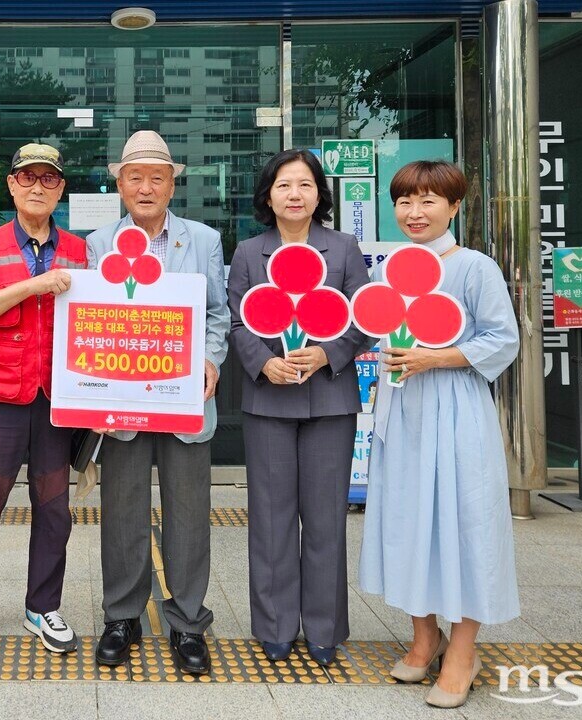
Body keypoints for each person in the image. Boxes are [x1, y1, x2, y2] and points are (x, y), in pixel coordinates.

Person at [357, 160, 521, 708]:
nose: (415, 211)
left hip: (455, 410)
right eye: (405, 201)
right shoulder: (390, 270)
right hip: (403, 410)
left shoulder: (474, 267)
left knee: (463, 521)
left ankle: (463, 652)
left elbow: (503, 339)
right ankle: (424, 637)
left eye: (429, 200)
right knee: (408, 520)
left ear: (455, 206)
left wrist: (436, 358)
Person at [86, 131, 229, 675]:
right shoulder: (98, 244)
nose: (146, 188)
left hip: (184, 398)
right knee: (121, 511)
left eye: (157, 178)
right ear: (119, 183)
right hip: (123, 401)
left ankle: (188, 621)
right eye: (135, 177)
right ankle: (121, 616)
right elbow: (93, 320)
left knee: (189, 512)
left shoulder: (204, 239)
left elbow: (218, 313)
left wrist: (211, 360)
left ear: (174, 183)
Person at [227, 149, 372, 665]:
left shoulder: (344, 248)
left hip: (330, 400)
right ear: (268, 195)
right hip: (268, 400)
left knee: (327, 517)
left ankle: (325, 630)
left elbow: (366, 315)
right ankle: (275, 627)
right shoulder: (249, 251)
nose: (295, 194)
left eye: (305, 185)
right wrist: (264, 364)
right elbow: (236, 321)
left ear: (319, 194)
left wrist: (329, 353)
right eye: (284, 185)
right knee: (270, 518)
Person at [0, 142, 88, 665]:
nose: (37, 186)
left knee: (55, 513)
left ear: (60, 189)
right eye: (27, 177)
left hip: (56, 402)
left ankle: (42, 607)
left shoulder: (78, 249)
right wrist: (34, 285)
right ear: (10, 185)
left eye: (48, 179)